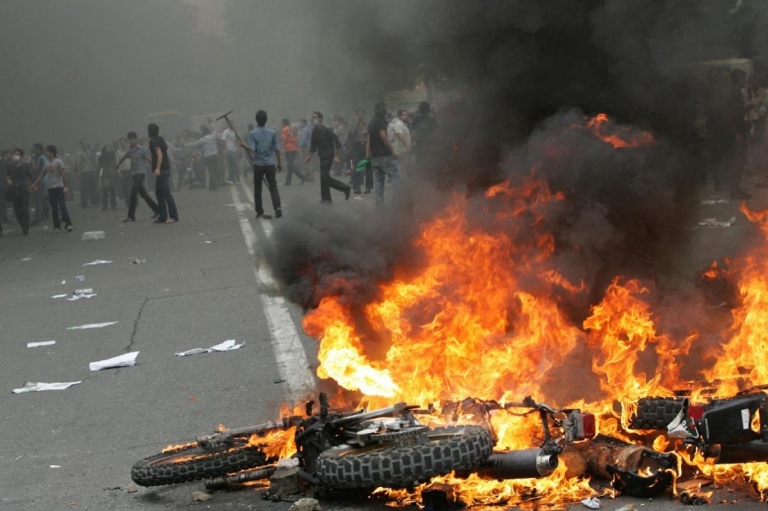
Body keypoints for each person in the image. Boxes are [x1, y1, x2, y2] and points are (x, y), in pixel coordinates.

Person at [241, 110, 282, 219]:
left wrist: (244, 145)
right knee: (273, 186)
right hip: (270, 164)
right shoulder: (272, 133)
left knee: (258, 189)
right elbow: (277, 149)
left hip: (258, 164)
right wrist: (279, 163)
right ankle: (277, 207)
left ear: (256, 120)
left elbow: (252, 149)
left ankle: (259, 211)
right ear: (266, 120)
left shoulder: (252, 134)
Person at [305, 111, 350, 204]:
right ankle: (341, 190)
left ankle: (327, 199)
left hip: (329, 155)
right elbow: (313, 146)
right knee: (324, 177)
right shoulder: (315, 131)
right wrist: (309, 156)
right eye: (312, 117)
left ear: (320, 119)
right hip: (322, 156)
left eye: (315, 117)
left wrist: (336, 155)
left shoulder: (327, 130)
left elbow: (337, 143)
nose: (313, 119)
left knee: (324, 176)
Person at [116, 131, 159, 222]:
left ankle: (131, 216)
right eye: (129, 140)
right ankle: (157, 210)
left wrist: (156, 168)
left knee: (133, 193)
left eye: (132, 139)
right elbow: (124, 157)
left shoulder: (141, 149)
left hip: (141, 173)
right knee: (144, 195)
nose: (131, 141)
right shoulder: (130, 150)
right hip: (134, 174)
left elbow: (149, 159)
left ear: (135, 139)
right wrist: (118, 165)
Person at [367, 102, 400, 205]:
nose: (384, 112)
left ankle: (379, 201)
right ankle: (398, 200)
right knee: (395, 176)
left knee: (379, 180)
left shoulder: (371, 123)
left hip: (375, 157)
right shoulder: (380, 121)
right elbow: (383, 136)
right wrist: (393, 151)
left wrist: (368, 156)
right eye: (383, 109)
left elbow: (368, 141)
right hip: (385, 155)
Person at [148, 123, 178, 223]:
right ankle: (163, 216)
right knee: (159, 193)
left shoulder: (155, 142)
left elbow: (159, 155)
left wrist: (157, 168)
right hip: (165, 168)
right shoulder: (159, 139)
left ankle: (173, 216)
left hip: (162, 170)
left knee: (166, 193)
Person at [40, 145, 73, 232]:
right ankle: (56, 226)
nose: (46, 153)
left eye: (47, 151)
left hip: (59, 186)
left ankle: (68, 224)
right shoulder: (46, 163)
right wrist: (34, 184)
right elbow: (42, 175)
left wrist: (65, 186)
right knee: (54, 208)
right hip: (50, 188)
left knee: (62, 206)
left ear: (52, 152)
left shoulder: (58, 162)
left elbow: (63, 175)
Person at [6, 148, 32, 235]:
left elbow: (31, 176)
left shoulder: (25, 166)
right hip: (14, 191)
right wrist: (9, 180)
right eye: (14, 154)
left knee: (24, 209)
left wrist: (32, 185)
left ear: (21, 156)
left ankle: (26, 227)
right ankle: (22, 224)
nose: (15, 156)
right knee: (17, 211)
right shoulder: (10, 166)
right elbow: (7, 175)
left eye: (17, 154)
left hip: (24, 190)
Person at [187, 125, 219, 190]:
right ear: (209, 132)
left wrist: (186, 145)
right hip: (214, 155)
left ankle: (214, 184)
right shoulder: (213, 136)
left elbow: (194, 144)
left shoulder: (202, 139)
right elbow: (214, 129)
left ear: (203, 133)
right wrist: (211, 123)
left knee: (210, 171)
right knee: (214, 170)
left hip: (207, 156)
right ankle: (212, 185)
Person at [347, 108, 371, 194]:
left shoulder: (367, 125)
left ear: (364, 115)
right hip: (356, 147)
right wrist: (356, 124)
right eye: (358, 114)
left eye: (361, 114)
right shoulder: (353, 125)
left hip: (366, 146)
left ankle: (368, 187)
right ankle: (357, 187)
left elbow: (370, 135)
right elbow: (350, 135)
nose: (360, 116)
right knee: (357, 167)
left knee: (368, 167)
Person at [411, 101, 438, 167]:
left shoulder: (416, 119)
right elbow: (436, 130)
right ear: (429, 109)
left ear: (419, 109)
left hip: (419, 142)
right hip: (430, 143)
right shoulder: (432, 120)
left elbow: (413, 129)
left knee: (420, 159)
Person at [280, 118, 305, 185]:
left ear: (283, 123)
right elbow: (296, 138)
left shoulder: (284, 129)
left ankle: (302, 176)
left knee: (290, 165)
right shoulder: (292, 129)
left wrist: (281, 148)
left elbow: (283, 139)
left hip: (288, 148)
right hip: (294, 148)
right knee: (290, 165)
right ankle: (288, 181)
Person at [388, 109, 413, 175]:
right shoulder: (398, 124)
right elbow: (400, 135)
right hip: (400, 151)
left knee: (403, 169)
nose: (406, 117)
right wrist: (407, 146)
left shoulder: (403, 125)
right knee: (401, 170)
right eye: (404, 115)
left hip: (403, 151)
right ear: (399, 116)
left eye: (406, 115)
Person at [76, 139, 98, 208]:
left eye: (86, 143)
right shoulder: (80, 153)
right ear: (81, 145)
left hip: (90, 170)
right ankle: (84, 203)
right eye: (83, 143)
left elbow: (91, 160)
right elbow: (78, 163)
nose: (85, 144)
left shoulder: (88, 151)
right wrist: (78, 171)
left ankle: (94, 202)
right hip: (84, 171)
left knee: (94, 186)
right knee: (84, 188)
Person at [97, 145, 118, 210]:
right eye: (107, 148)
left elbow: (115, 166)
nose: (108, 149)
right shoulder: (102, 158)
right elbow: (99, 167)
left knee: (113, 191)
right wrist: (97, 175)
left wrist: (116, 173)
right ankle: (105, 206)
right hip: (105, 176)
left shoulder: (112, 157)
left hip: (112, 175)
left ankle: (113, 205)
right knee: (105, 191)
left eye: (109, 148)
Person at [0, 150, 10, 225]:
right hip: (4, 184)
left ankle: (3, 217)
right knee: (3, 202)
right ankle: (4, 217)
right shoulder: (6, 163)